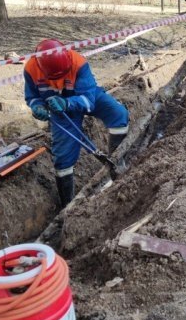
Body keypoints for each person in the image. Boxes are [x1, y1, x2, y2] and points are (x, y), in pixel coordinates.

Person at [24, 39, 129, 207]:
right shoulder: (31, 68)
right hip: (60, 110)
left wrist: (67, 103)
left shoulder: (78, 63)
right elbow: (32, 97)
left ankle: (118, 163)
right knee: (63, 156)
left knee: (118, 114)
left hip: (81, 96)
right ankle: (68, 206)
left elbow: (88, 101)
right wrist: (37, 107)